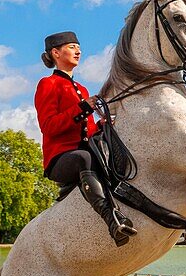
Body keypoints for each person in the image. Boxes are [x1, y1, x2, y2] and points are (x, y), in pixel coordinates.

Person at [35, 31, 137, 246]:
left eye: (78, 47)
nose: (78, 51)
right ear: (55, 53)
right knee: (85, 157)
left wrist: (103, 125)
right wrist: (82, 107)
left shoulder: (81, 88)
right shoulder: (48, 84)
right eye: (71, 47)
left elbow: (87, 131)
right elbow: (49, 127)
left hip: (86, 152)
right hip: (60, 160)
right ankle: (112, 219)